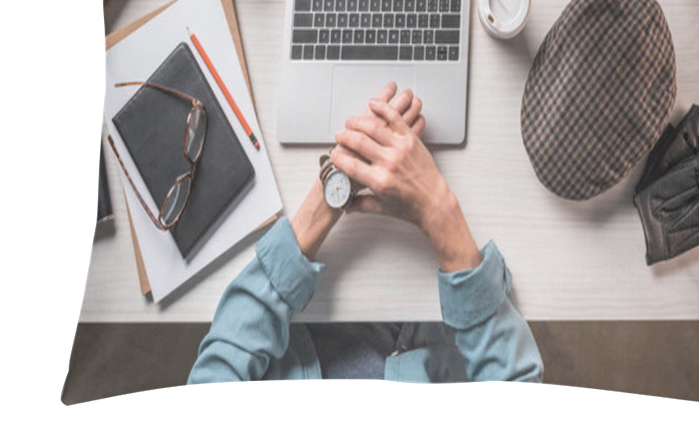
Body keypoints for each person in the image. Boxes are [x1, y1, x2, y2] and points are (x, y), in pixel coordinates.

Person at [187, 82, 543, 384]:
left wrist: (332, 188)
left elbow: (217, 371)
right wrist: (439, 212)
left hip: (304, 308)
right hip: (448, 312)